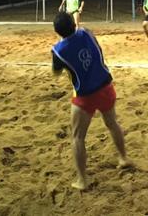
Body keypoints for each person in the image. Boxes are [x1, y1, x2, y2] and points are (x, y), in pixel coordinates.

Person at [51, 12, 131, 190]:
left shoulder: (58, 50)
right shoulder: (86, 32)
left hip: (85, 95)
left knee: (77, 137)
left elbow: (56, 73)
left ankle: (82, 180)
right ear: (74, 24)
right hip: (105, 86)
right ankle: (123, 158)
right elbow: (97, 50)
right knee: (112, 123)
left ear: (57, 31)